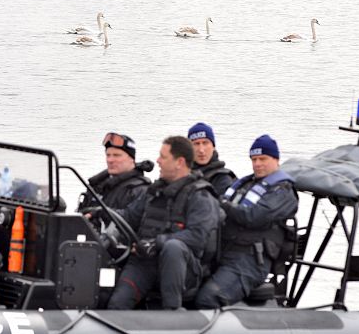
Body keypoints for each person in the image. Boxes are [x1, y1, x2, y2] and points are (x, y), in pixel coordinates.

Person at [107, 136, 220, 310]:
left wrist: (156, 243)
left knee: (173, 247)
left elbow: (197, 237)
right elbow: (129, 215)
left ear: (179, 162)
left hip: (181, 268)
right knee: (117, 304)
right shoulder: (154, 191)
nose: (157, 161)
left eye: (163, 157)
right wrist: (102, 212)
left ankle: (172, 311)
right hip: (145, 263)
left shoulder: (200, 196)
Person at [195, 134, 298, 309]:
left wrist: (221, 204)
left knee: (207, 299)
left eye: (263, 159)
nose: (257, 164)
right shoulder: (245, 185)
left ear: (276, 159)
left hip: (250, 262)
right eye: (254, 159)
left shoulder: (283, 192)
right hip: (224, 254)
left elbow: (254, 216)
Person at [77, 132, 152, 213]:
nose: (110, 160)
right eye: (108, 155)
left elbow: (133, 219)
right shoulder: (98, 185)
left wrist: (99, 214)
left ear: (131, 159)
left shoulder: (141, 190)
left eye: (116, 155)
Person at [187, 122, 236, 197]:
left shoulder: (223, 178)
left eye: (205, 143)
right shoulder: (181, 174)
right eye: (196, 144)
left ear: (213, 147)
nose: (201, 150)